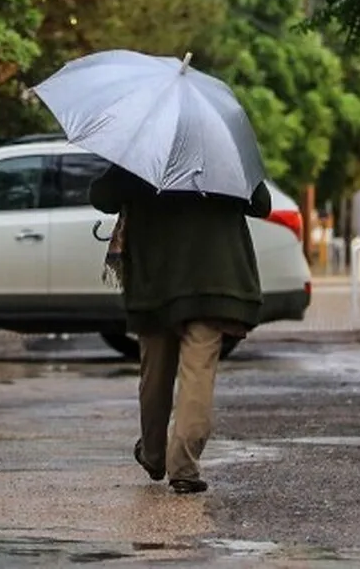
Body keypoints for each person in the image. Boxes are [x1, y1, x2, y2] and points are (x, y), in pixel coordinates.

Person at [89, 165, 271, 494]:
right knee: (198, 372)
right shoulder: (223, 154)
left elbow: (102, 197)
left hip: (155, 280)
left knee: (155, 373)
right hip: (215, 279)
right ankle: (184, 466)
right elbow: (261, 204)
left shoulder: (145, 154)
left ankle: (153, 454)